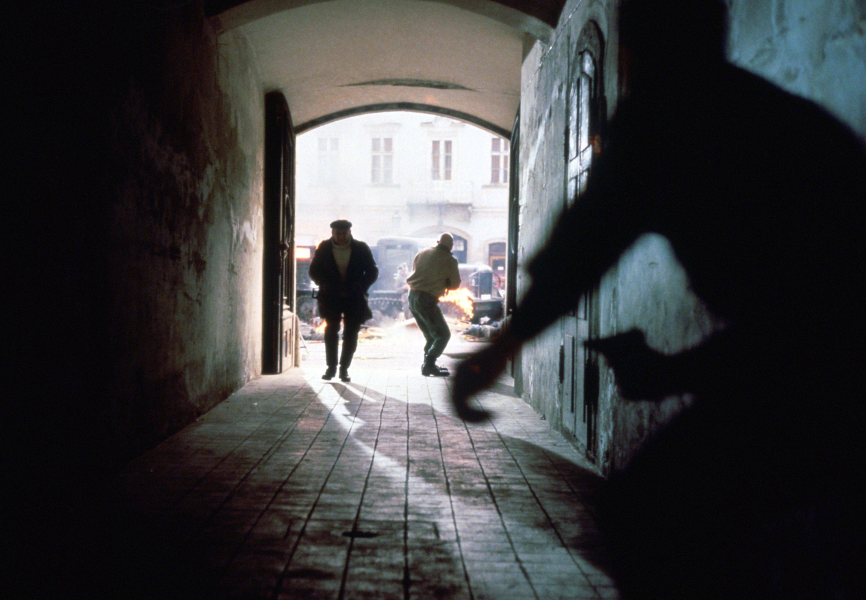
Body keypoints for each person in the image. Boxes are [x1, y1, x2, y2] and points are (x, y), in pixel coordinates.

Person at [452, 0, 865, 597]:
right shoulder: (773, 115)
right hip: (818, 364)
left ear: (633, 48)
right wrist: (676, 371)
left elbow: (587, 242)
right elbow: (795, 328)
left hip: (829, 375)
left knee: (652, 514)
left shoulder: (673, 113)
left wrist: (498, 351)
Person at [308, 220, 378, 383]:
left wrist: (361, 286)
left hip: (354, 296)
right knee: (331, 331)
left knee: (351, 333)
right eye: (337, 233)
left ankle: (344, 369)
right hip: (330, 296)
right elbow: (314, 270)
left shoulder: (361, 248)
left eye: (344, 233)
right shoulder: (324, 247)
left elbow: (372, 270)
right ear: (332, 233)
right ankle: (331, 367)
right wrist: (324, 284)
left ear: (349, 232)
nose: (341, 237)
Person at [406, 233, 462, 377]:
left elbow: (415, 271)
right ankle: (429, 365)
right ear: (451, 246)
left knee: (431, 336)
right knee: (443, 335)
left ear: (437, 242)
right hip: (427, 300)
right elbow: (455, 285)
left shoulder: (423, 253)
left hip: (412, 297)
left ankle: (428, 365)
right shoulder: (450, 260)